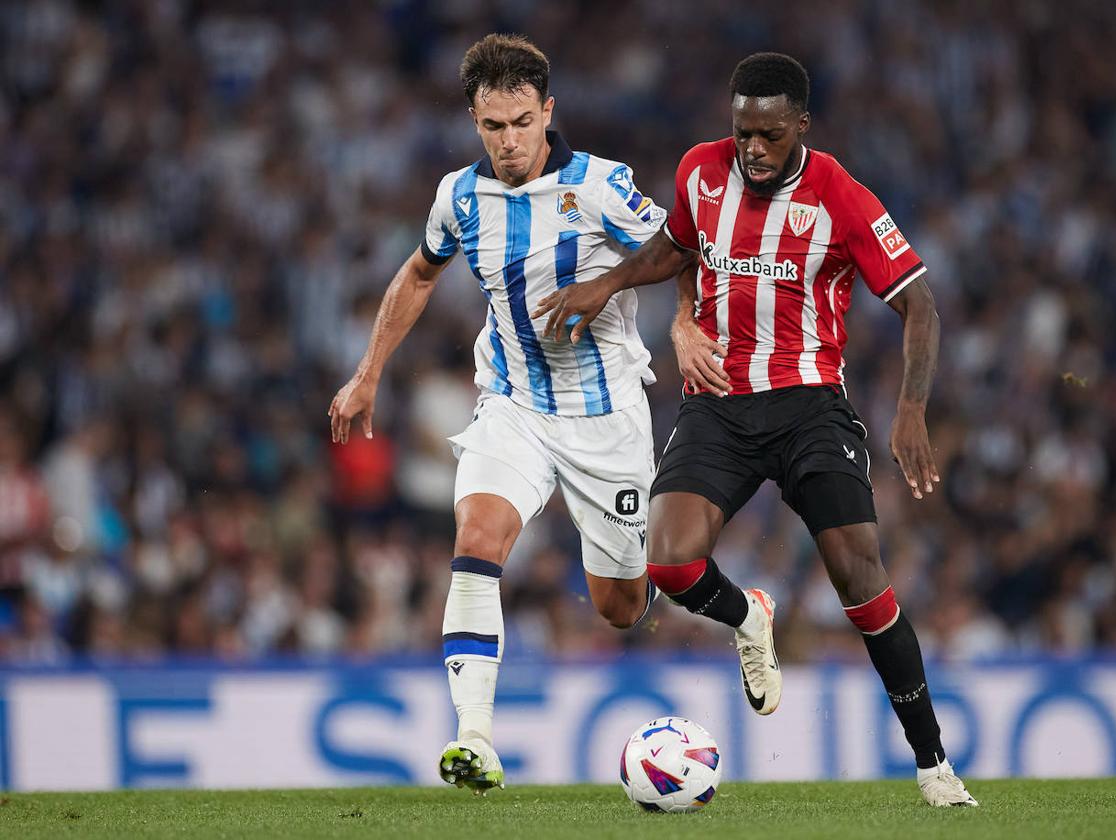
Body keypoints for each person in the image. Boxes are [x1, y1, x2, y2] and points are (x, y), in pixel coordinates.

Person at [533, 52, 977, 807]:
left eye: (769, 136)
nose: (753, 150)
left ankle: (934, 764)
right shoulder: (702, 172)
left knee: (860, 577)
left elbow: (920, 304)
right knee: (669, 566)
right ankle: (748, 618)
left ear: (800, 126)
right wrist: (609, 282)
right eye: (743, 134)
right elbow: (676, 245)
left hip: (809, 405)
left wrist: (910, 407)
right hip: (719, 401)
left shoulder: (840, 194)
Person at [328, 34, 667, 795]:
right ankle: (474, 739)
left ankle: (707, 588)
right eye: (492, 126)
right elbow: (418, 274)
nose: (509, 141)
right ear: (473, 120)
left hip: (605, 417)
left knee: (620, 605)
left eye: (521, 122)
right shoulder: (458, 196)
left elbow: (680, 248)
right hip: (512, 403)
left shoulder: (604, 186)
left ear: (548, 111)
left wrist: (656, 314)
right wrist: (367, 373)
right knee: (477, 537)